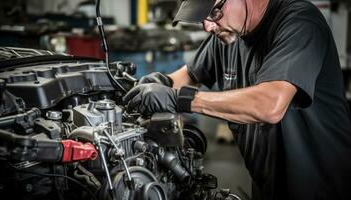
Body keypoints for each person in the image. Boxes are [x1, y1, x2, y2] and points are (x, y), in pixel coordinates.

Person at [123, 0, 351, 199]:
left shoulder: (299, 22)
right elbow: (187, 77)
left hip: (320, 184)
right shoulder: (225, 37)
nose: (208, 26)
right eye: (201, 18)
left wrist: (179, 99)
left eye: (213, 13)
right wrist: (157, 82)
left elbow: (270, 105)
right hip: (267, 182)